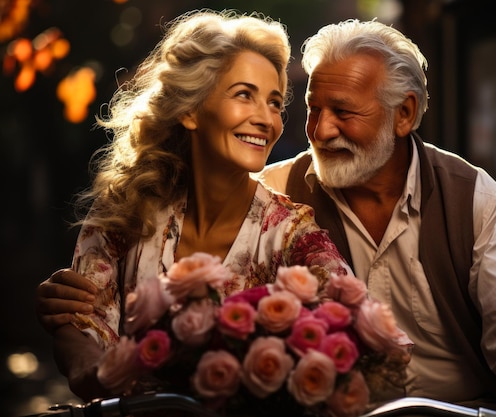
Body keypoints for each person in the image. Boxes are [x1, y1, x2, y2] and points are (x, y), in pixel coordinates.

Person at [36, 18, 496, 417]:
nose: (319, 131)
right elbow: (91, 322)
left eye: (343, 112)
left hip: (460, 410)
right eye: (310, 109)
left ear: (405, 115)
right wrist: (75, 321)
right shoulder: (269, 191)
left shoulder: (472, 200)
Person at [36, 9, 353, 402]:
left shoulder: (292, 232)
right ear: (190, 110)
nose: (266, 119)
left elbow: (348, 329)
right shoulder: (126, 210)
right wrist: (88, 369)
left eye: (274, 103)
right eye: (244, 95)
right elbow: (81, 321)